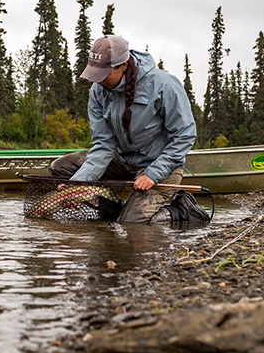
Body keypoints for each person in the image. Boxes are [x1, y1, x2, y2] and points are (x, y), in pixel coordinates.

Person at [50, 34, 203, 223]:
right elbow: (104, 145)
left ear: (123, 65)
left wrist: (153, 174)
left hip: (160, 165)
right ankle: (113, 208)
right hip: (121, 161)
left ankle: (183, 210)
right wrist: (78, 185)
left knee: (131, 224)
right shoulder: (97, 91)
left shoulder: (164, 84)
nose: (98, 81)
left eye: (103, 74)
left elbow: (185, 135)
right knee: (62, 168)